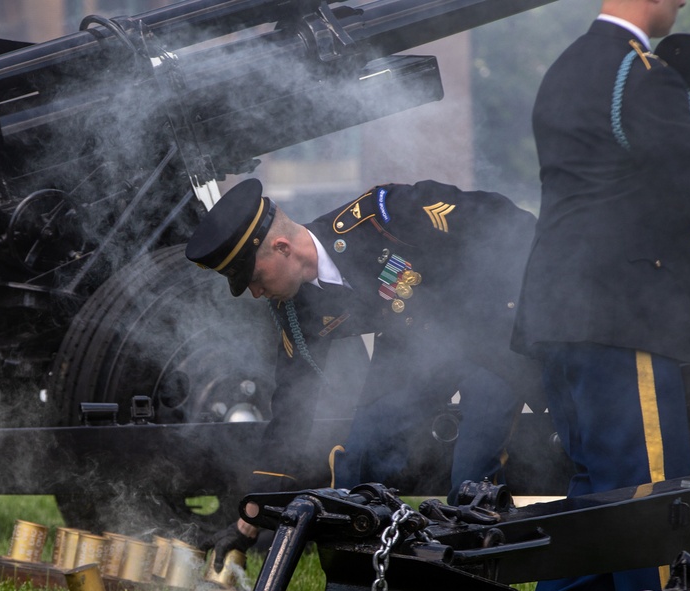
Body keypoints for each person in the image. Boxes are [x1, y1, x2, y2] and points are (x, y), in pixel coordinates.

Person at [511, 0, 690, 591]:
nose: (682, 2)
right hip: (619, 312)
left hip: (561, 309)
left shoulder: (568, 66)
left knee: (596, 485)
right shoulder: (642, 73)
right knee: (652, 490)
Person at [185, 177, 545, 569]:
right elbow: (291, 403)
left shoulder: (383, 215)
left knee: (471, 479)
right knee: (360, 460)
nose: (256, 293)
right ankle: (370, 574)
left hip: (489, 334)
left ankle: (476, 584)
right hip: (415, 350)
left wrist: (533, 306)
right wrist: (251, 515)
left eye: (254, 278)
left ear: (282, 247)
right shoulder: (293, 305)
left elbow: (505, 222)